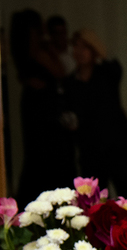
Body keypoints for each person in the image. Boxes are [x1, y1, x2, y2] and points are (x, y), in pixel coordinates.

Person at [10, 9, 75, 206]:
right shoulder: (39, 52)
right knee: (48, 155)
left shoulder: (25, 54)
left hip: (38, 107)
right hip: (44, 109)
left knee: (39, 155)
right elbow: (60, 72)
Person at [65, 29, 127, 196]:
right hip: (89, 150)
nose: (80, 52)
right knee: (93, 198)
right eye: (76, 46)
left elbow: (112, 64)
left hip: (116, 146)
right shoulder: (70, 82)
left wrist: (95, 44)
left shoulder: (107, 72)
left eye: (85, 47)